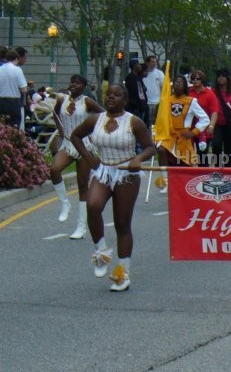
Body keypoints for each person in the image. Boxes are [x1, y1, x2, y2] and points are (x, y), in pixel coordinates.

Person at [70, 84, 155, 292]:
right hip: (103, 171)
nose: (111, 98)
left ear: (124, 100)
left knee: (122, 224)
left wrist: (139, 158)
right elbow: (75, 136)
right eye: (108, 94)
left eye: (116, 95)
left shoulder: (134, 122)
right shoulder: (94, 119)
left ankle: (122, 274)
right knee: (92, 205)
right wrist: (90, 159)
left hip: (127, 173)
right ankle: (101, 251)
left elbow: (151, 147)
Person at [51, 75, 104, 239]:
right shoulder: (62, 99)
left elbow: (102, 114)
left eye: (78, 83)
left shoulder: (87, 102)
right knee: (54, 169)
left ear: (84, 86)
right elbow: (55, 113)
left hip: (84, 145)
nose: (73, 84)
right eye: (72, 81)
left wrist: (92, 131)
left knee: (83, 185)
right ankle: (65, 204)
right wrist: (61, 130)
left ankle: (81, 227)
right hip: (67, 144)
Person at [156, 75, 209, 192]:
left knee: (184, 168)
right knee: (161, 150)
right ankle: (166, 181)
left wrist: (193, 132)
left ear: (185, 86)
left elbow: (205, 119)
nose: (177, 84)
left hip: (183, 137)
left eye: (180, 83)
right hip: (169, 136)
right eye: (175, 82)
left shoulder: (191, 101)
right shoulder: (167, 100)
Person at [188, 70, 220, 167]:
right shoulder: (188, 92)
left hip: (203, 128)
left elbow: (215, 111)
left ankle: (204, 176)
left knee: (202, 153)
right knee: (188, 153)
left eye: (198, 78)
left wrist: (212, 125)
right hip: (189, 127)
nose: (195, 80)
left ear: (202, 80)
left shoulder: (209, 93)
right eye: (193, 78)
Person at [0, 49, 28, 127]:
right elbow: (24, 89)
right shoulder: (17, 70)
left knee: (2, 127)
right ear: (16, 59)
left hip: (1, 102)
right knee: (14, 128)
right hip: (13, 103)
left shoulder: (0, 69)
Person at [142, 55, 164, 126]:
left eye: (155, 62)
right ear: (147, 63)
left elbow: (163, 87)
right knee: (146, 122)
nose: (154, 63)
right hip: (146, 103)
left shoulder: (160, 73)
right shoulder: (143, 74)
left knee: (155, 122)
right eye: (152, 62)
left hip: (157, 103)